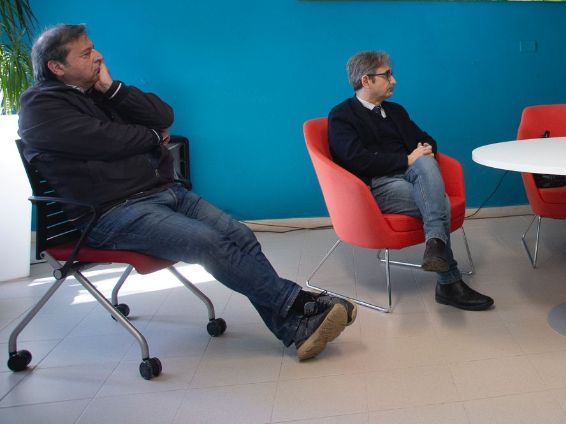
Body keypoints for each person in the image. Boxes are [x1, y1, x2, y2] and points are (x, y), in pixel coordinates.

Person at [17, 24, 355, 361]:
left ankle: (294, 328)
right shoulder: (40, 107)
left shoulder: (102, 94)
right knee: (208, 242)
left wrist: (114, 89)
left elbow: (163, 115)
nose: (98, 56)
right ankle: (298, 302)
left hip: (162, 193)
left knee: (240, 234)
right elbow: (107, 141)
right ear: (56, 66)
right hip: (111, 213)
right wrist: (152, 137)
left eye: (94, 48)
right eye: (86, 53)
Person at [327, 51, 494, 310]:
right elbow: (356, 160)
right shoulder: (342, 115)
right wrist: (406, 160)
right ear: (366, 80)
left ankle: (436, 247)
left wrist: (423, 151)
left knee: (425, 161)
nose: (393, 80)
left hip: (415, 176)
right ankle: (448, 282)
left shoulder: (395, 111)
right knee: (440, 203)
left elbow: (427, 139)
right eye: (387, 75)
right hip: (377, 185)